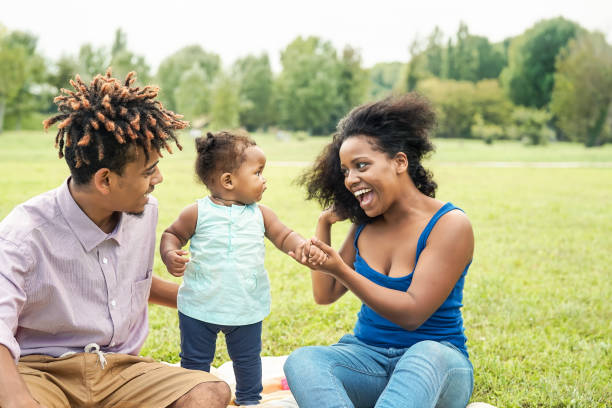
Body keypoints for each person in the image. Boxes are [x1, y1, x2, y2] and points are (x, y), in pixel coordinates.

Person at [0, 70, 231, 408]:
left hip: (119, 369)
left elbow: (129, 284)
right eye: (149, 170)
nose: (159, 179)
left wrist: (206, 301)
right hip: (42, 372)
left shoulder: (144, 212)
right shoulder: (22, 235)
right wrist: (18, 398)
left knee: (210, 392)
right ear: (105, 180)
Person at [284, 94, 475, 408]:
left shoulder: (450, 225)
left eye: (361, 166)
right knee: (304, 360)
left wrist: (341, 269)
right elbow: (325, 294)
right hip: (367, 360)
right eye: (345, 170)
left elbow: (412, 313)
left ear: (399, 162)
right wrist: (324, 224)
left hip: (437, 367)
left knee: (424, 355)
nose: (350, 179)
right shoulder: (364, 225)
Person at [160, 129, 326, 406]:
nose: (264, 180)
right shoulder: (197, 212)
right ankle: (192, 397)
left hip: (246, 305)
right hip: (199, 306)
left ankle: (249, 399)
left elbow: (284, 235)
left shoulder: (261, 214)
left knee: (247, 360)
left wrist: (301, 247)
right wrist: (169, 253)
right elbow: (172, 233)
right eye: (258, 173)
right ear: (228, 180)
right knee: (194, 362)